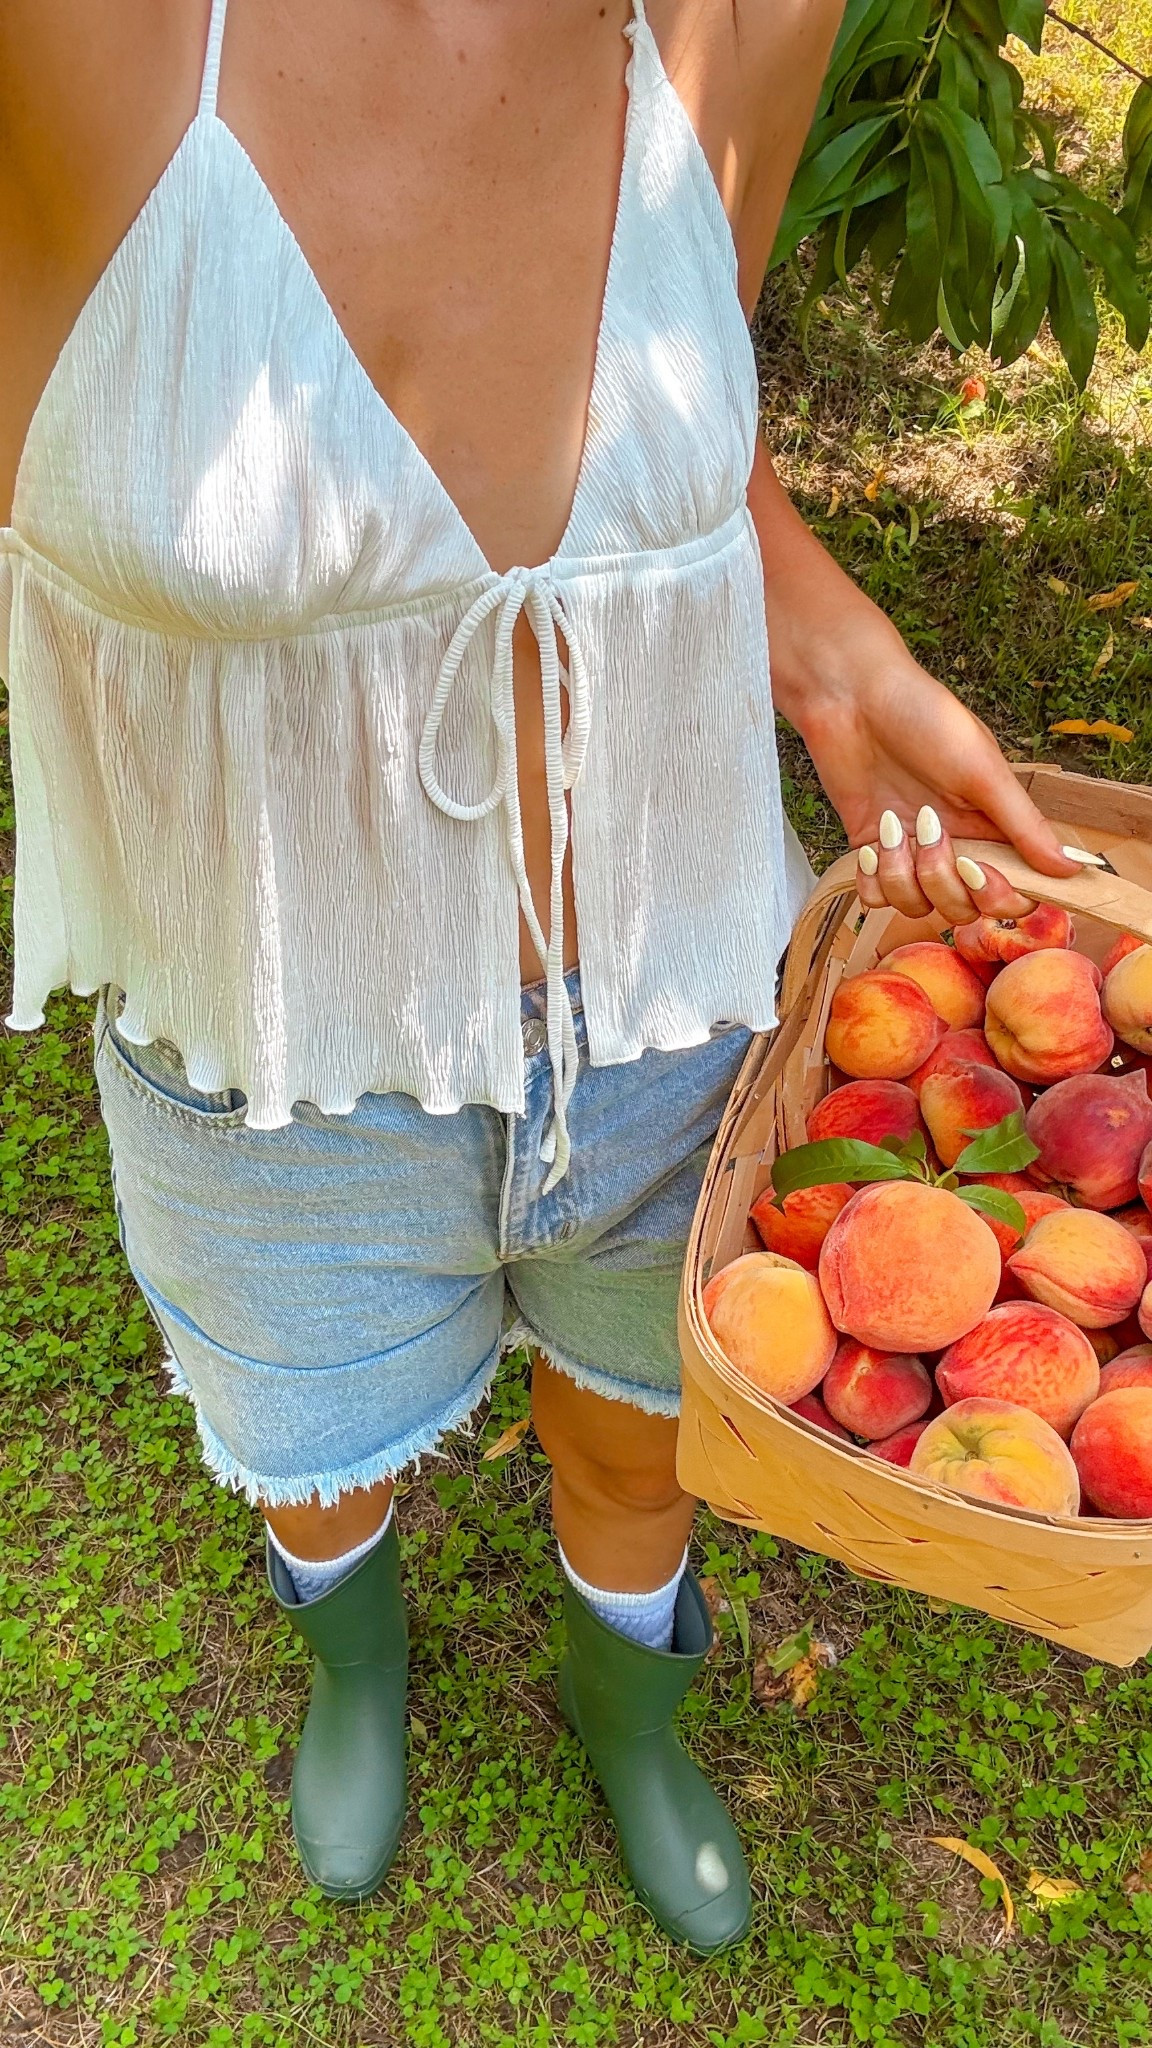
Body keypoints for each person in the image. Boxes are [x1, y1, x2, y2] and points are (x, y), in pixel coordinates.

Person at [0, 0, 1100, 1954]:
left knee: (637, 1427)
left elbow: (693, 429)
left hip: (676, 1004)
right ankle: (358, 1674)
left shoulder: (741, 16)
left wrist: (825, 640)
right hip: (270, 1047)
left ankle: (630, 1710)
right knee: (320, 1460)